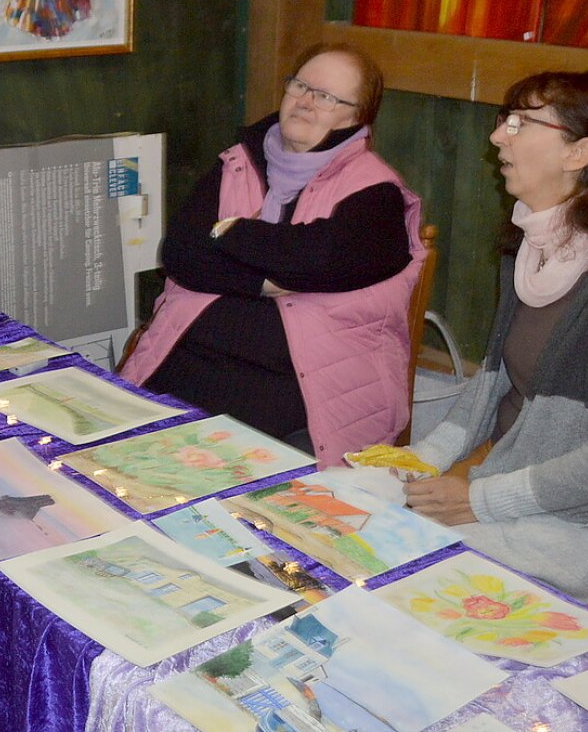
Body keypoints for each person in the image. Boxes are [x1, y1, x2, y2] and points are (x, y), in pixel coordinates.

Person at [402, 71, 588, 603]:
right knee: (362, 518)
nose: (499, 136)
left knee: (403, 570)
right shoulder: (534, 245)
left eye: (521, 123)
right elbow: (494, 381)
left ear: (579, 152)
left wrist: (480, 500)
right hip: (515, 488)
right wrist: (416, 460)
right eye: (504, 120)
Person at [120, 43, 426, 466]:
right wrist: (263, 282)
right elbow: (182, 254)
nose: (305, 101)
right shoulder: (237, 162)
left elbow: (320, 259)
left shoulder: (378, 194)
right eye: (300, 85)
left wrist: (232, 231)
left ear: (357, 117)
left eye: (326, 96)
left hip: (299, 392)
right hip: (187, 363)